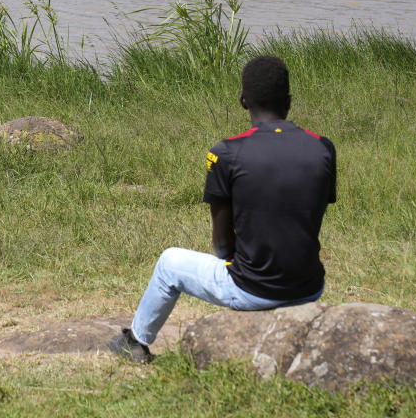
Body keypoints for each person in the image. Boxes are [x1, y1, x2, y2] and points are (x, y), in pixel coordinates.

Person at [110, 56, 337, 363]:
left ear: (243, 100)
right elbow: (309, 217)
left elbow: (221, 245)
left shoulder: (226, 153)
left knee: (169, 263)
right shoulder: (322, 147)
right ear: (289, 101)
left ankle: (136, 341)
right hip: (310, 286)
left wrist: (245, 267)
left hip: (252, 288)